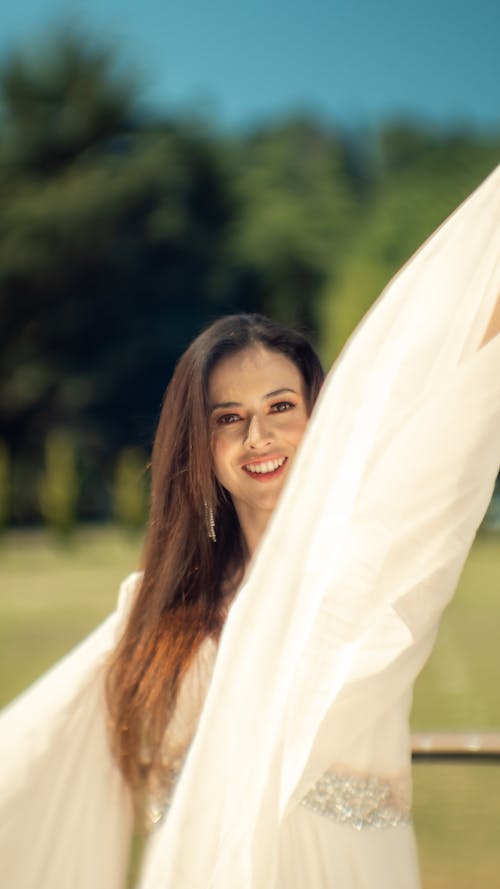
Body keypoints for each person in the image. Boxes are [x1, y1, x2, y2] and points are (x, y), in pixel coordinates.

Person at [1, 165, 500, 889]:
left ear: (317, 417)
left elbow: (455, 370)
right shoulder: (149, 608)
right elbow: (33, 746)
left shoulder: (367, 569)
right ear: (199, 447)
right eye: (228, 419)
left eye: (281, 408)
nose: (259, 437)